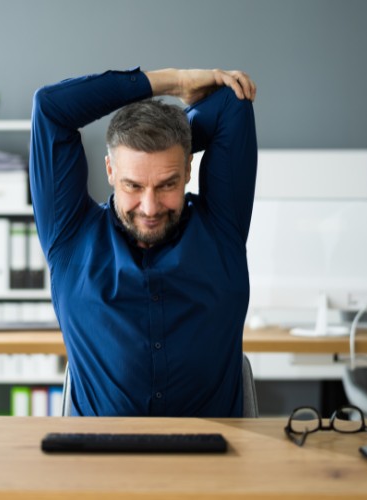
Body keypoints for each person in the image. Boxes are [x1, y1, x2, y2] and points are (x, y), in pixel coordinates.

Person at [29, 67, 257, 417]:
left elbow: (232, 104)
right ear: (110, 171)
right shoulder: (70, 236)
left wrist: (173, 139)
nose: (150, 209)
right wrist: (174, 82)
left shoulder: (221, 229)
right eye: (133, 185)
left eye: (167, 184)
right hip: (98, 464)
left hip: (213, 466)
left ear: (187, 171)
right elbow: (50, 107)